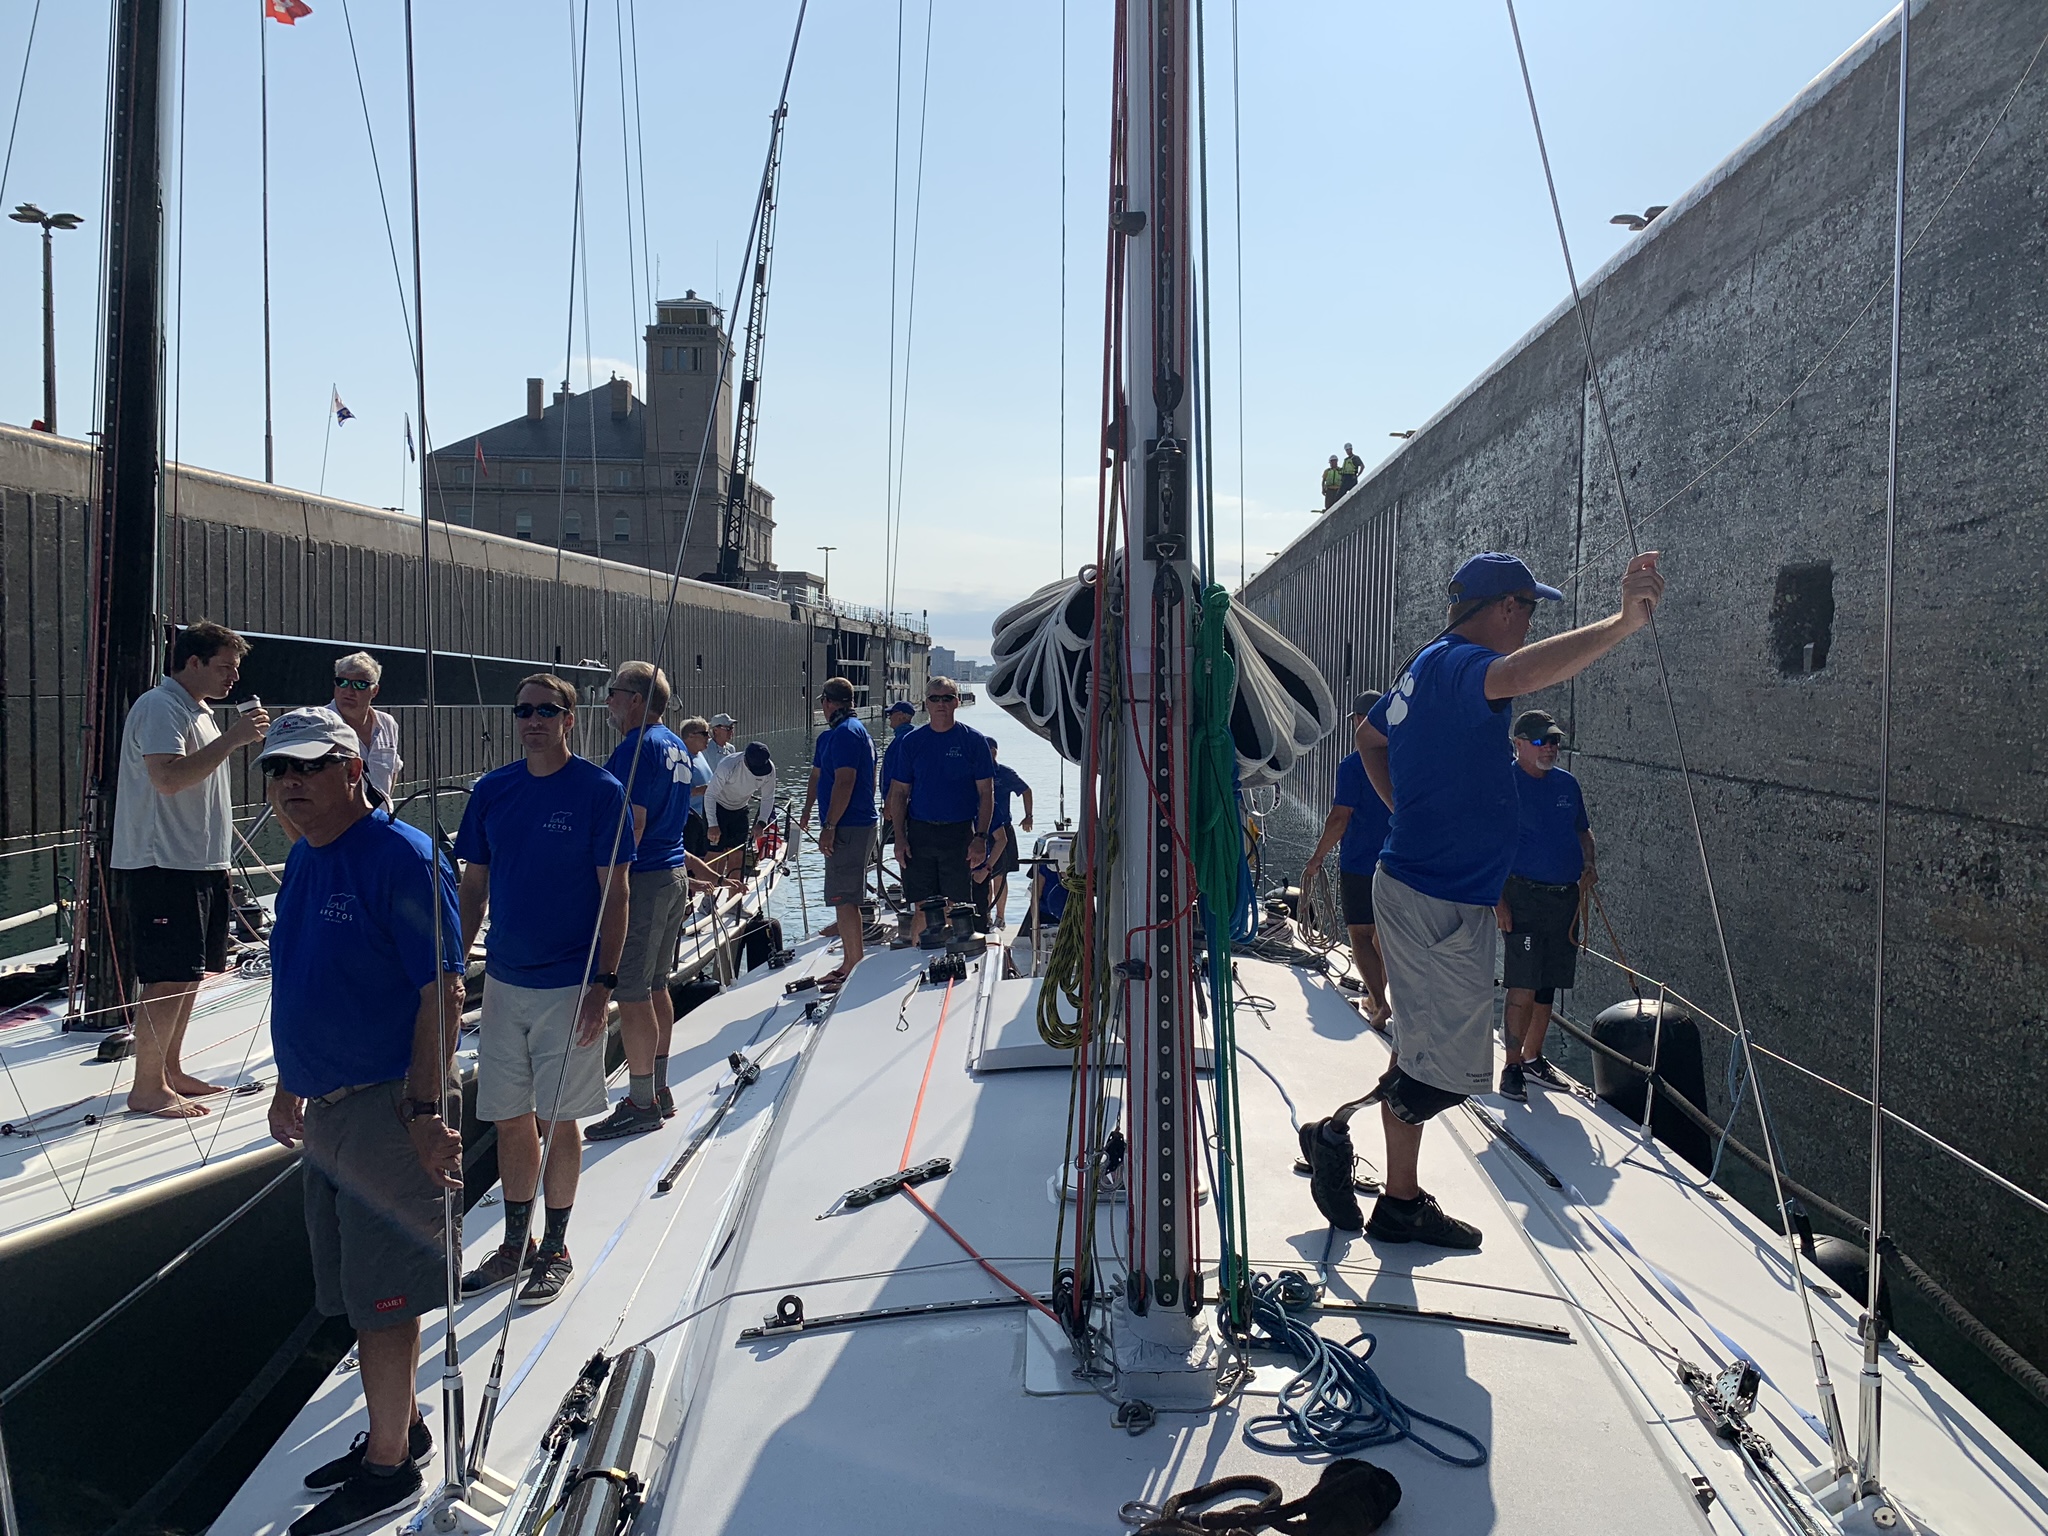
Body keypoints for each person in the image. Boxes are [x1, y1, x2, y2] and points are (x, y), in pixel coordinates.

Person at [1300, 548, 1664, 1250]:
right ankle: (1333, 1130)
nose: (1528, 625)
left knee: (1424, 1058)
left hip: (1440, 894)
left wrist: (1404, 808)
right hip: (1435, 900)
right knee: (1445, 1076)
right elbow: (1521, 674)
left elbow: (1369, 737)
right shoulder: (1462, 665)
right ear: (1504, 608)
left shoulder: (1423, 667)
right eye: (1528, 611)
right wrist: (1622, 623)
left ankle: (1401, 1204)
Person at [257, 708, 465, 1536]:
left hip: (387, 1106)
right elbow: (300, 975)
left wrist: (424, 1110)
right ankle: (400, 1426)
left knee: (385, 1298)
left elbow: (442, 990)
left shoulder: (402, 857)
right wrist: (290, 1082)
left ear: (353, 770)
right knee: (355, 1289)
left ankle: (389, 1472)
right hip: (327, 1110)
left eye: (308, 766)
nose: (289, 783)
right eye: (277, 770)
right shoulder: (306, 857)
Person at [453, 675, 633, 1307]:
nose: (532, 720)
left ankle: (555, 1249)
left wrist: (603, 984)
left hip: (570, 985)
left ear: (569, 720)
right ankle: (514, 1246)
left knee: (559, 1120)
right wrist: (454, 969)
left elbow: (616, 894)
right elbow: (473, 886)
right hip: (504, 982)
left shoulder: (600, 792)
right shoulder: (492, 791)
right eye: (523, 710)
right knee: (509, 1118)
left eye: (546, 711)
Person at [109, 619, 269, 1118]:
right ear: (193, 662)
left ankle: (169, 1071)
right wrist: (234, 739)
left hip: (200, 862)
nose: (233, 678)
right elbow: (167, 778)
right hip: (163, 862)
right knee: (167, 975)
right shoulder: (161, 706)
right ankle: (146, 1087)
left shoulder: (199, 712)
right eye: (225, 667)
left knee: (190, 973)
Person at [586, 662, 694, 1142]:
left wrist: (605, 888)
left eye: (613, 692)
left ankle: (641, 1102)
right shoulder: (674, 744)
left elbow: (633, 823)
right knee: (656, 985)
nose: (608, 701)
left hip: (644, 880)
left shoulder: (635, 748)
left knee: (630, 991)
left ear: (634, 699)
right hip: (673, 874)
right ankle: (659, 1088)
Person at [1496, 709, 1595, 1103]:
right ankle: (1511, 1066)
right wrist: (1498, 901)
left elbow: (1583, 832)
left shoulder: (1568, 785)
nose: (1550, 747)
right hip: (1522, 896)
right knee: (1522, 982)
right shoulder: (1503, 784)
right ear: (1518, 744)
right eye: (1541, 741)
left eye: (1554, 741)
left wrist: (1589, 864)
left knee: (1547, 983)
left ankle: (1534, 1058)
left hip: (1564, 898)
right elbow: (1486, 844)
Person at [1301, 691, 1391, 1027]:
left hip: (1361, 863)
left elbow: (1340, 818)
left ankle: (1379, 1003)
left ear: (1359, 721)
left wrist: (1317, 858)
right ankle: (1375, 997)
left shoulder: (1355, 764)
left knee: (1361, 934)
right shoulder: (1405, 759)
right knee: (1386, 936)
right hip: (1398, 863)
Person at [886, 676, 994, 943]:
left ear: (957, 702)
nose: (941, 704)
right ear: (927, 703)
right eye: (935, 698)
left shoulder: (974, 741)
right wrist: (899, 838)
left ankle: (953, 960)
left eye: (947, 698)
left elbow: (986, 793)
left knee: (957, 906)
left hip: (959, 834)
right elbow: (899, 793)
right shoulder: (912, 742)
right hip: (920, 833)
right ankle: (918, 953)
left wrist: (981, 838)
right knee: (922, 906)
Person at [803, 678, 878, 989]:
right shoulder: (841, 734)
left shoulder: (846, 733)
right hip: (852, 823)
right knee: (843, 896)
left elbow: (845, 782)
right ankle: (851, 958)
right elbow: (819, 776)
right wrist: (808, 811)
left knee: (844, 897)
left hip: (848, 825)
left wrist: (830, 826)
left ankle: (852, 964)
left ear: (827, 702)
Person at [971, 740, 1033, 927]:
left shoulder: (1005, 773)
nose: (988, 754)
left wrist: (1028, 815)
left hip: (1002, 827)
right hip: (978, 828)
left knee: (1000, 875)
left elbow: (1026, 790)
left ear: (995, 752)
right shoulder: (973, 771)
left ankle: (1000, 916)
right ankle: (985, 915)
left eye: (991, 750)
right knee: (981, 875)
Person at [330, 651, 403, 800]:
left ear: (374, 691)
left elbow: (393, 769)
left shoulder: (387, 724)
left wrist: (384, 806)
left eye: (359, 685)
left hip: (380, 814)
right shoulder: (317, 723)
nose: (349, 691)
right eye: (342, 682)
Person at [705, 742, 777, 877]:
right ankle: (709, 889)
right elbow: (710, 795)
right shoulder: (728, 765)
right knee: (715, 854)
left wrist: (761, 823)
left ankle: (734, 890)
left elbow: (768, 797)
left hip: (740, 809)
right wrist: (712, 824)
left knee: (738, 854)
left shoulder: (769, 769)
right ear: (745, 760)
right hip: (718, 807)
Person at [673, 715, 715, 859]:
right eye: (705, 734)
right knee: (690, 859)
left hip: (704, 816)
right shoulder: (680, 758)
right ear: (691, 736)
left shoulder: (700, 755)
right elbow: (675, 792)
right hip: (689, 819)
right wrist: (700, 790)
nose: (709, 737)